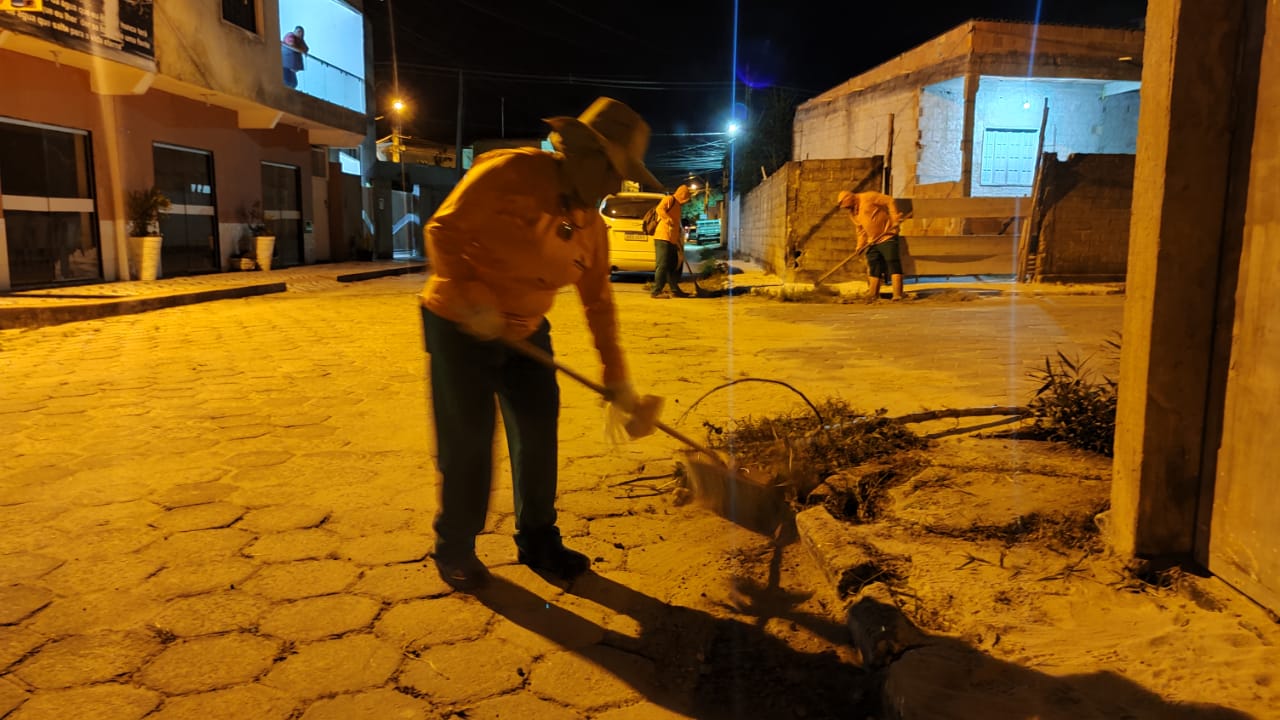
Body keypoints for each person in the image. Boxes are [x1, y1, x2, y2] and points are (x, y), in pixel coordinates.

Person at [420, 97, 664, 591]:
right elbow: (442, 230)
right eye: (616, 171)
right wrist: (474, 297)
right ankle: (455, 546)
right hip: (460, 324)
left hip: (528, 330)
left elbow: (598, 303)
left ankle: (538, 539)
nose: (619, 185)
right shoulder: (511, 173)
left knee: (537, 432)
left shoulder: (591, 226)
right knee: (468, 441)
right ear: (584, 155)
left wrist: (617, 379)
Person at [837, 189, 906, 301]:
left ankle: (897, 294)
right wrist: (859, 245)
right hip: (872, 241)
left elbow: (889, 200)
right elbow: (860, 230)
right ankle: (873, 294)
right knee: (874, 265)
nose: (846, 209)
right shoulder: (853, 213)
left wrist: (894, 218)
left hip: (887, 235)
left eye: (846, 205)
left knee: (892, 262)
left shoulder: (869, 197)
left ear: (850, 198)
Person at [651, 184, 691, 298]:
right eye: (686, 197)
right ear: (681, 194)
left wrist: (678, 237)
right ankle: (656, 291)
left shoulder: (678, 205)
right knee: (662, 265)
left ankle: (675, 290)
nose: (686, 200)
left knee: (672, 266)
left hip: (672, 240)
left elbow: (676, 223)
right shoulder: (669, 199)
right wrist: (667, 219)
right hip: (663, 237)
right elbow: (659, 209)